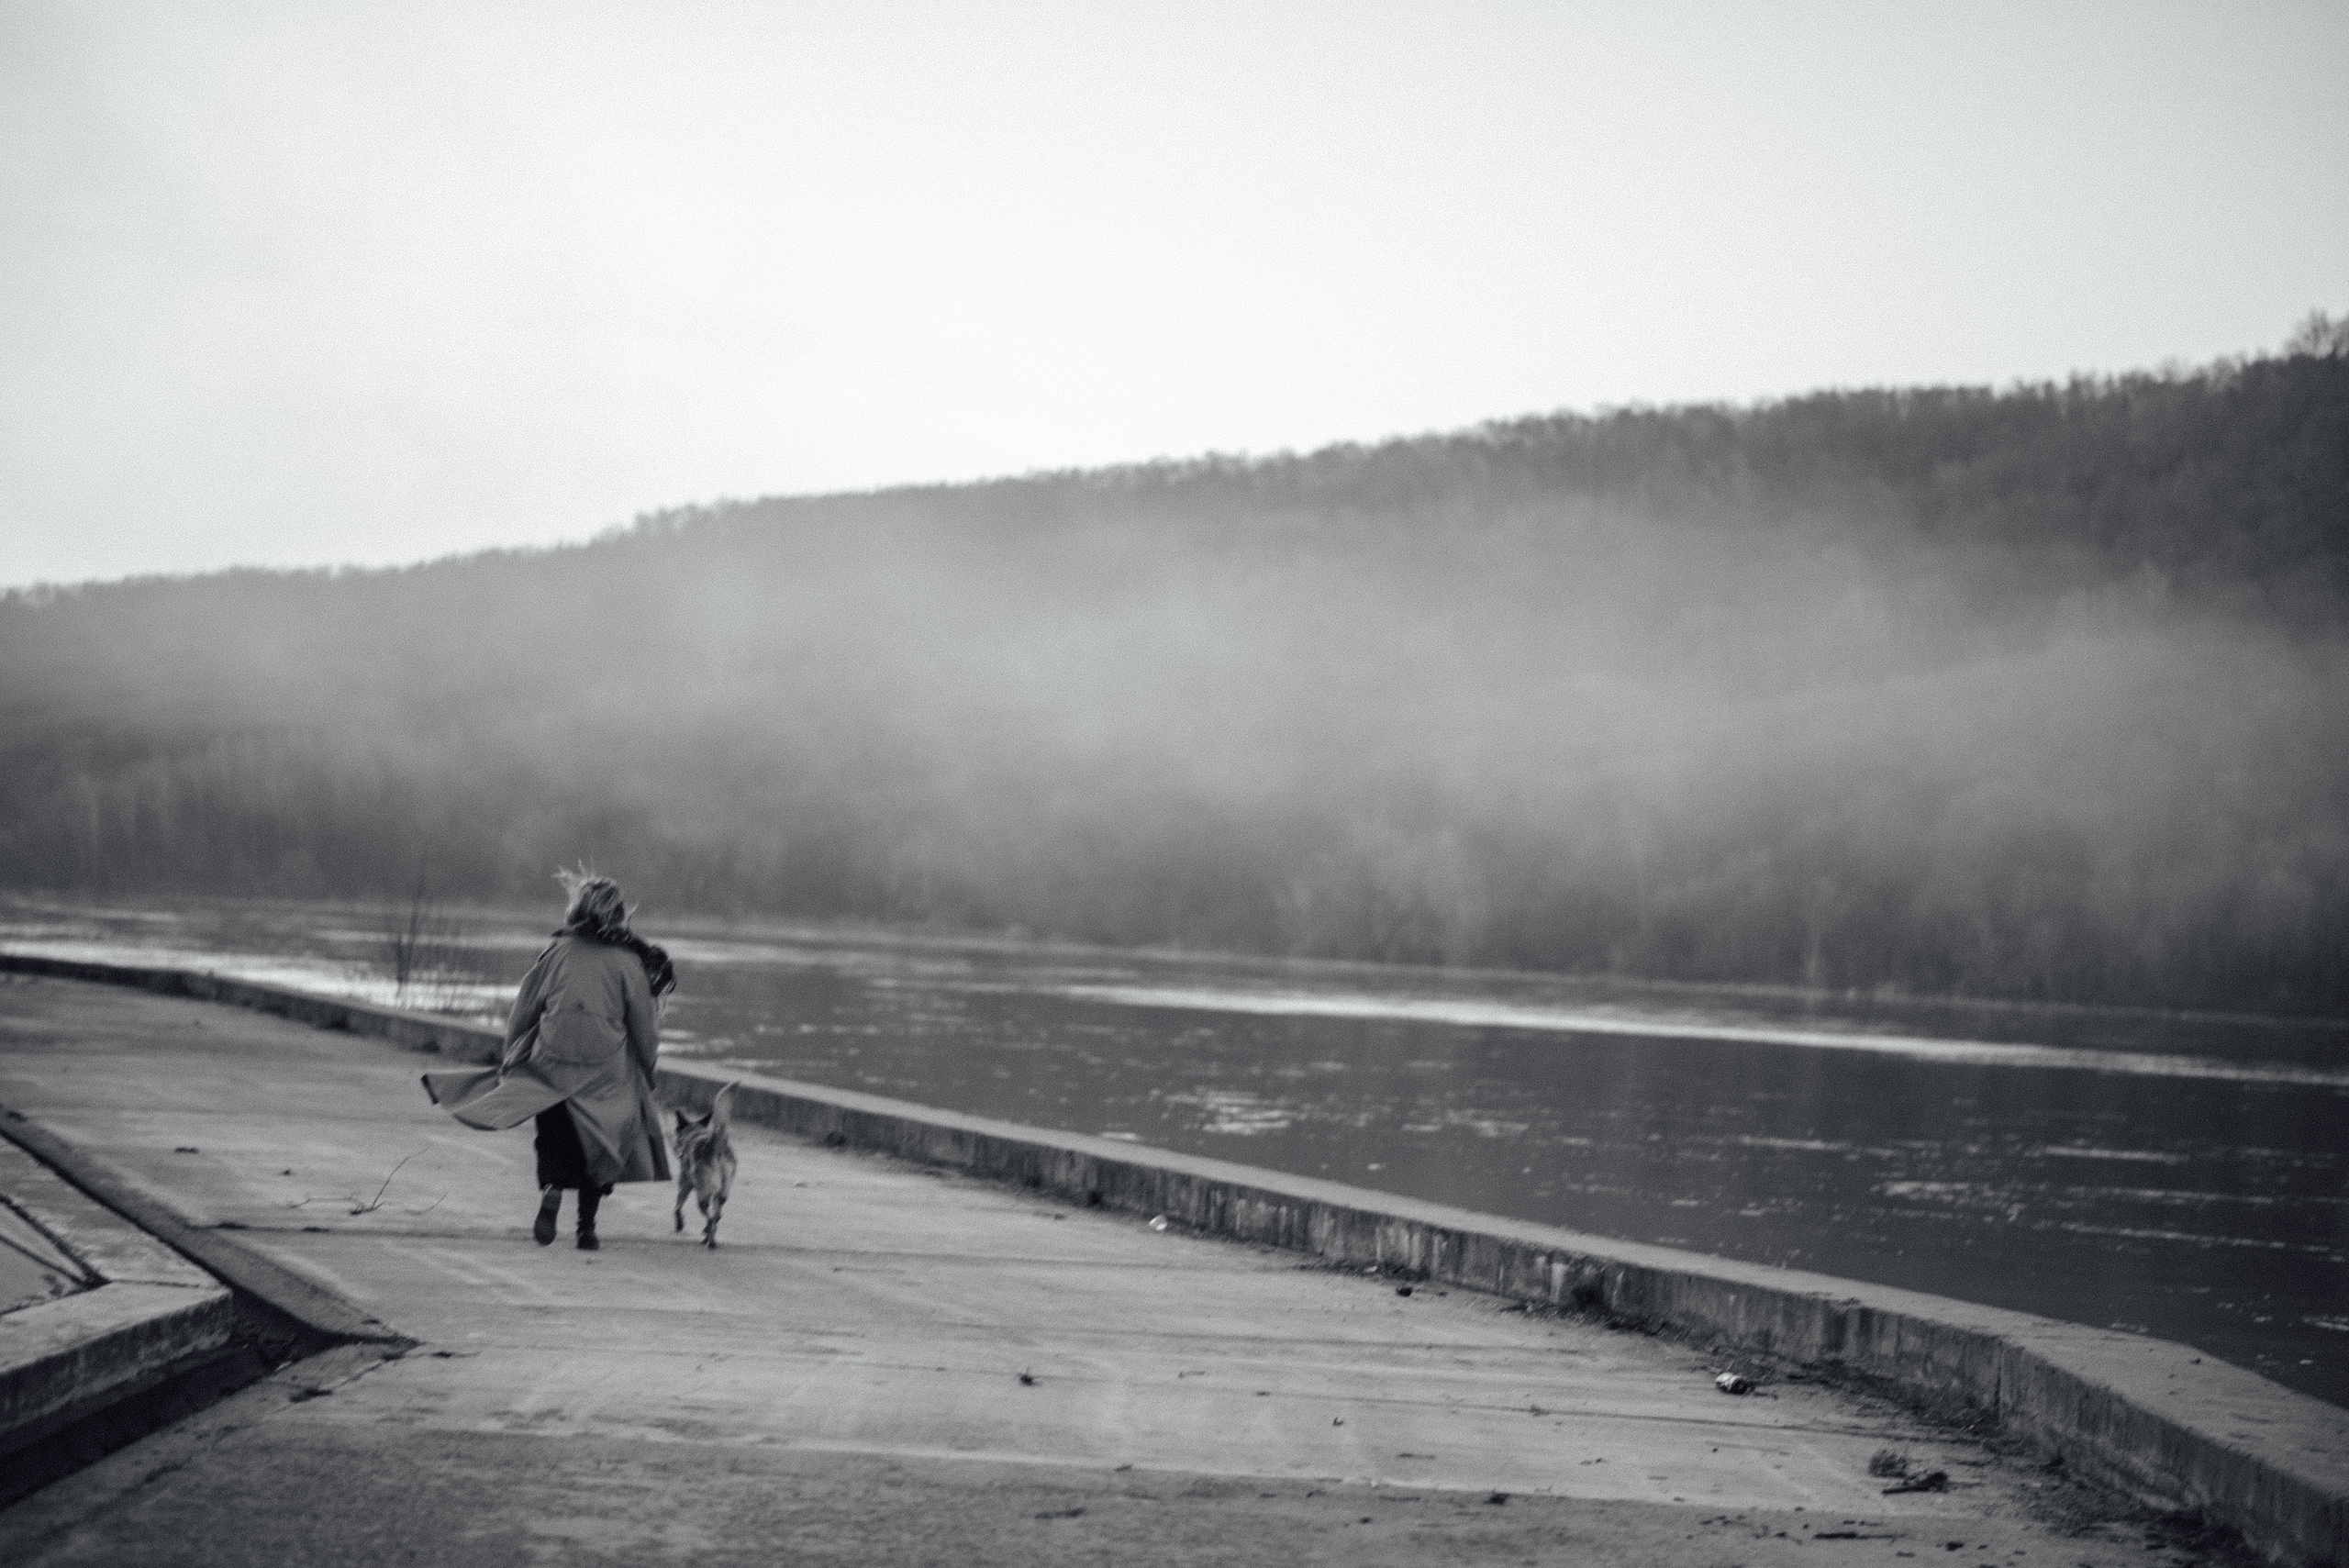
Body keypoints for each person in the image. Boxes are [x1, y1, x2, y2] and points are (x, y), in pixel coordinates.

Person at [423, 870, 675, 1249]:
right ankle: (586, 1228)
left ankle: (554, 1189)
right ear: (619, 915)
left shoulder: (556, 953)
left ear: (577, 911)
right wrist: (648, 1067)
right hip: (606, 1074)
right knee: (603, 1149)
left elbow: (525, 1010)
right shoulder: (628, 964)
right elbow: (643, 1028)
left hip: (551, 1067)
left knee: (554, 1140)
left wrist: (512, 1055)